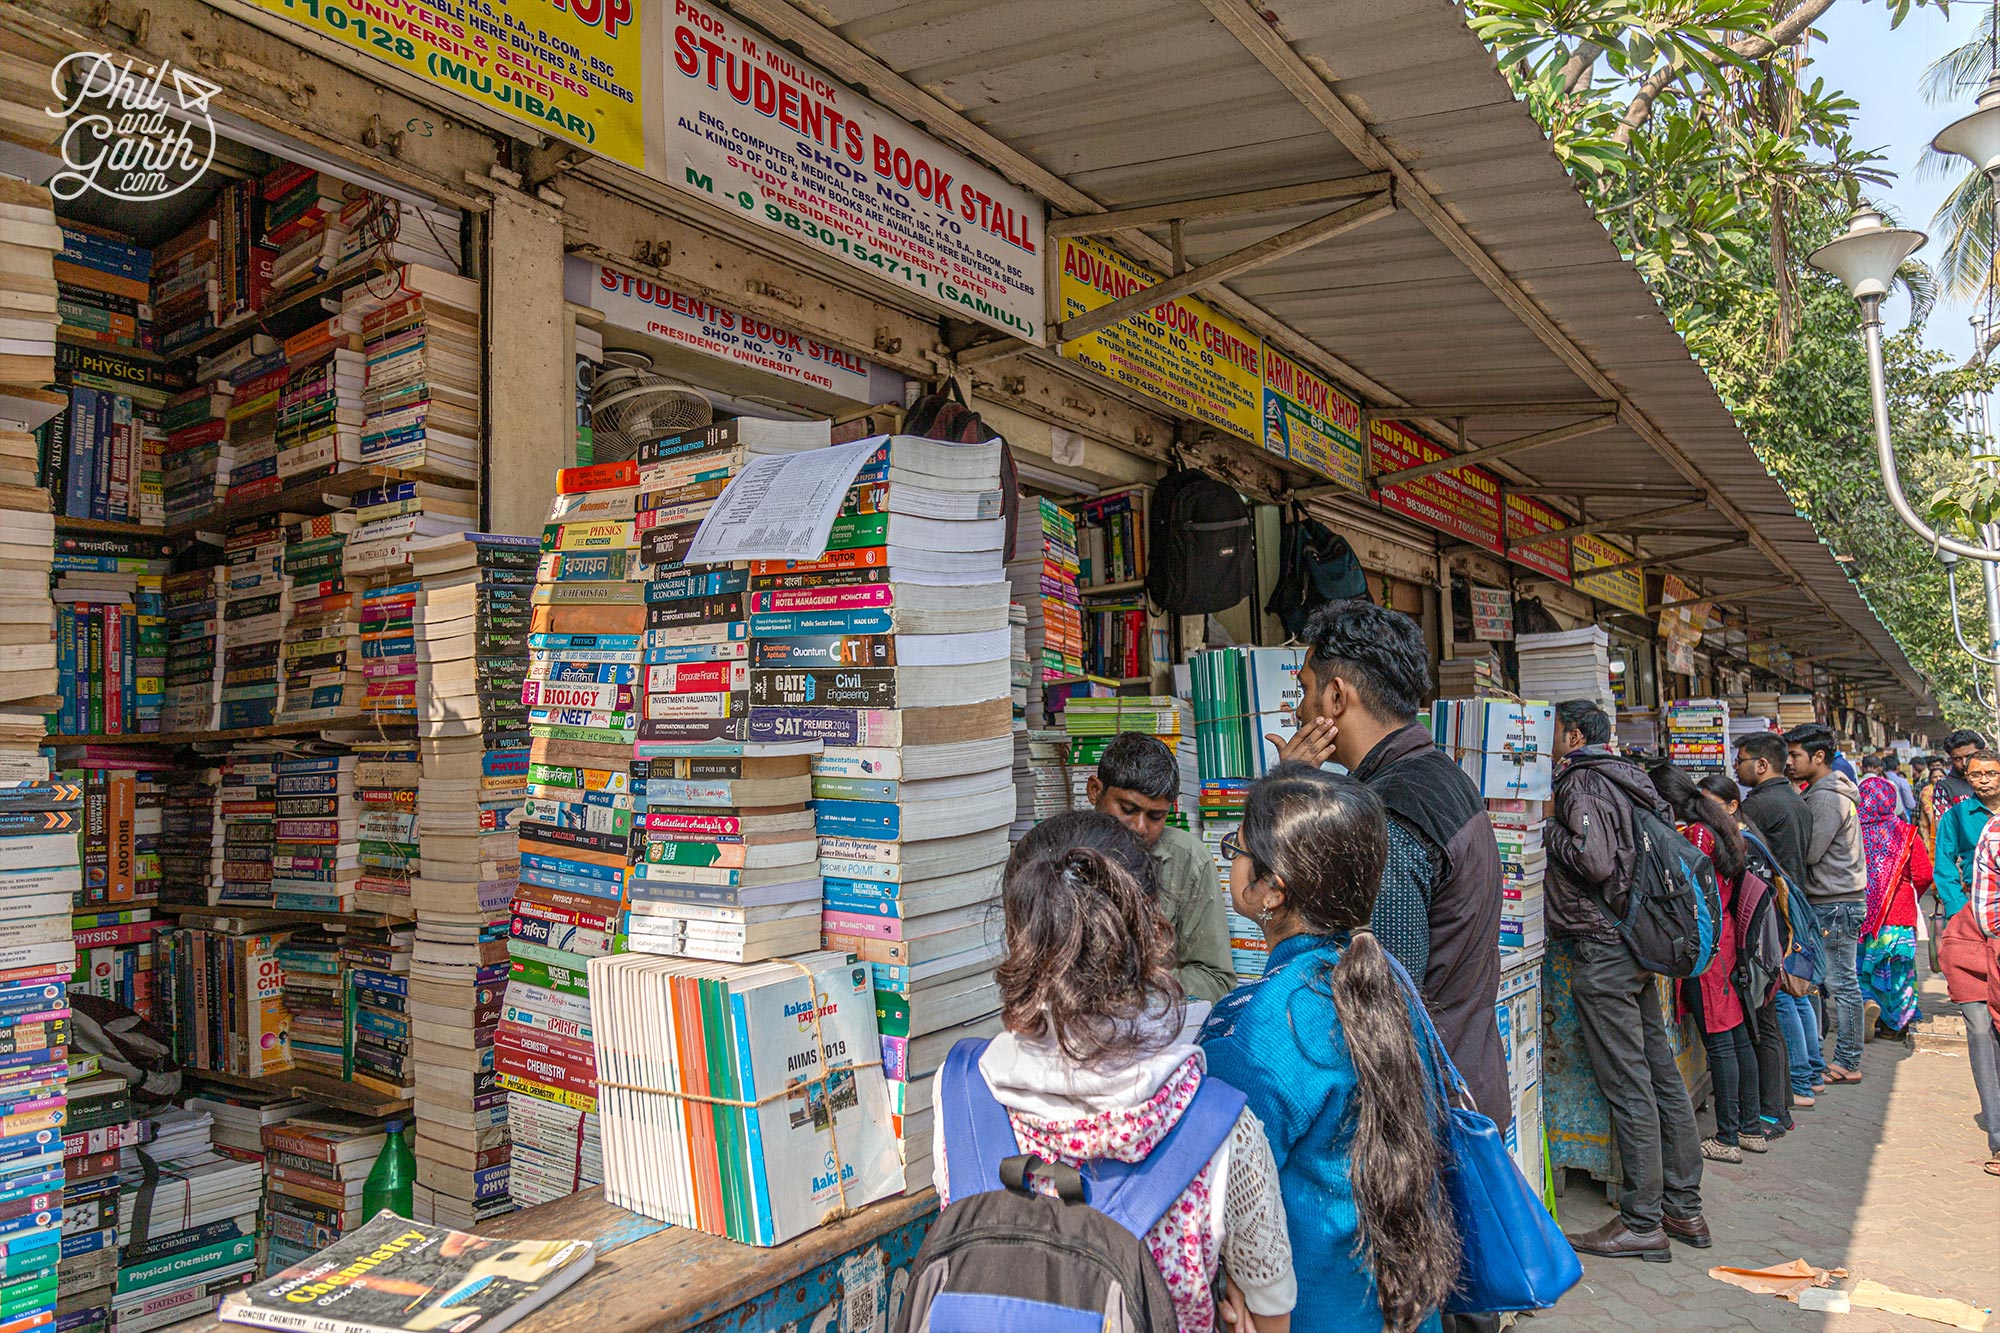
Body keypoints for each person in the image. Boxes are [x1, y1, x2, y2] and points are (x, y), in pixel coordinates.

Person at [935, 810, 1298, 1333]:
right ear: (1149, 929)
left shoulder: (961, 1091)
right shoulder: (1218, 1127)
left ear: (1019, 935)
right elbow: (1269, 1314)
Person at [1201, 765, 1459, 1332]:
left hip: (1311, 1309)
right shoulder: (1386, 980)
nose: (1231, 862)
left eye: (1236, 849)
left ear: (1272, 890)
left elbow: (1226, 1196)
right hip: (1405, 1304)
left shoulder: (1263, 1023)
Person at [1264, 600, 1510, 1130]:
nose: (1298, 711)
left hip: (1424, 1116)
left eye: (1305, 690)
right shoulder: (1437, 774)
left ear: (1335, 696)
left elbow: (1382, 999)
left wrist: (1283, 798)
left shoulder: (1391, 810)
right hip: (1461, 1080)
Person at [1545, 700, 1705, 1260]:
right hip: (1637, 942)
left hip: (1604, 945)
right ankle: (1683, 1208)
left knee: (1629, 1082)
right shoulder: (1631, 777)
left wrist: (1547, 829)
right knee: (1660, 1074)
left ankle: (1642, 1222)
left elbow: (1592, 862)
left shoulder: (1580, 784)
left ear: (1570, 734)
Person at [1649, 763, 1763, 1163]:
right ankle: (1749, 1127)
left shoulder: (1697, 833)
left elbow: (1687, 890)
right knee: (1732, 1034)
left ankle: (1729, 1136)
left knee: (1720, 1039)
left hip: (1707, 940)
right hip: (1722, 935)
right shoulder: (1720, 824)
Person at [1088, 732, 1237, 1002]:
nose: (1140, 828)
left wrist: (1137, 988)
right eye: (1128, 809)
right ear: (1095, 791)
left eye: (1155, 816)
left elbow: (1215, 980)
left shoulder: (1188, 859)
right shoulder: (1059, 848)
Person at [1698, 772, 1793, 1139]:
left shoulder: (1739, 844)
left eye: (1710, 806)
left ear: (1732, 806)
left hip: (1744, 952)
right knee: (1751, 1033)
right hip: (1745, 950)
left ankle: (1756, 1122)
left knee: (1752, 1032)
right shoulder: (1736, 838)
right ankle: (1760, 1120)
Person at [1786, 722, 1870, 1084]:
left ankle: (1849, 1060)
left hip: (1835, 901)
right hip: (1839, 900)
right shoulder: (1825, 791)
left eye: (1795, 755)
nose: (1788, 762)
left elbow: (1810, 852)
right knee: (1830, 982)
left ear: (1818, 757)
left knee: (1841, 984)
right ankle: (1835, 1058)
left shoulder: (1824, 796)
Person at [1942, 813, 2000, 1176]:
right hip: (1972, 940)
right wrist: (1950, 903)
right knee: (1982, 1033)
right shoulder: (1977, 824)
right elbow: (1942, 867)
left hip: (1985, 937)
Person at [1856, 773, 1933, 1040]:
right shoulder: (1907, 833)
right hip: (1899, 916)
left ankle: (1868, 1004)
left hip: (1860, 915)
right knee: (1900, 972)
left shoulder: (1853, 832)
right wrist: (1911, 894)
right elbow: (1923, 874)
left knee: (1862, 967)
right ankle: (1893, 1026)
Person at [1736, 733, 1811, 890]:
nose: (1735, 767)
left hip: (1772, 898)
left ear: (1762, 765)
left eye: (1740, 761)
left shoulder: (1759, 805)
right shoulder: (1797, 800)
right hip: (1794, 896)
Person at [1933, 748, 2000, 921]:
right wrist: (1958, 908)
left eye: (1992, 773)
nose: (1984, 780)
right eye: (1976, 775)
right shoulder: (1955, 816)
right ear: (1967, 777)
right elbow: (1944, 865)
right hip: (1977, 906)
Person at [1933, 728, 1989, 819]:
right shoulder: (1944, 787)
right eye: (1957, 759)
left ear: (1985, 751)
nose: (1964, 763)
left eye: (1969, 756)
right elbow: (1943, 825)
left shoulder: (1996, 777)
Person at [1881, 753, 1919, 824]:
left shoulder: (1878, 780)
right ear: (1898, 767)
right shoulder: (1902, 781)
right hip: (1901, 818)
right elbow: (1910, 804)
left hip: (1882, 819)